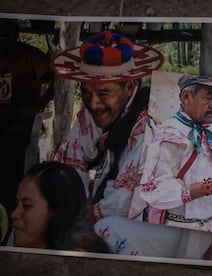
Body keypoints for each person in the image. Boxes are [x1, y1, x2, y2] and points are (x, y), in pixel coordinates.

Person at [51, 30, 196, 258]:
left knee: (106, 230)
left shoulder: (150, 122)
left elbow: (123, 201)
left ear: (129, 86)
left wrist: (76, 219)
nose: (94, 103)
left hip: (161, 227)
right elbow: (68, 165)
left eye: (103, 93)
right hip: (110, 211)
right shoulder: (91, 113)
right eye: (86, 93)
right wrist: (64, 203)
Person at [139, 74, 212, 234]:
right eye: (208, 98)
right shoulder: (170, 134)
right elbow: (154, 190)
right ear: (186, 96)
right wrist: (210, 186)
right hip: (181, 228)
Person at [0, 18, 54, 239]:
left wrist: (35, 107)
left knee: (9, 147)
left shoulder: (30, 55)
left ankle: (8, 209)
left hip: (18, 124)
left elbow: (55, 80)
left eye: (7, 30)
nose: (3, 35)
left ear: (16, 32)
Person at [10, 161, 110, 253]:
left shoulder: (75, 264)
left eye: (26, 206)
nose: (14, 214)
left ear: (56, 210)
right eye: (16, 204)